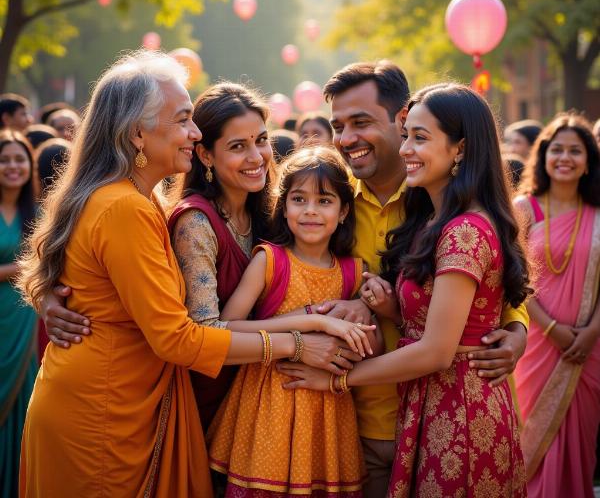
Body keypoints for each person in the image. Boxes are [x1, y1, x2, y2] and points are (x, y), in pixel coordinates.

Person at [15, 51, 309, 497]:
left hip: (120, 397)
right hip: (105, 411)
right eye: (183, 121)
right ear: (137, 133)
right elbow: (176, 338)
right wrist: (298, 344)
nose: (194, 133)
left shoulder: (139, 199)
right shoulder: (124, 208)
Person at [279, 83, 531, 496]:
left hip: (460, 412)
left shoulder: (464, 230)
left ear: (461, 149)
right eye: (406, 135)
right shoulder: (434, 219)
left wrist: (337, 380)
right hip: (431, 405)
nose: (405, 149)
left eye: (420, 138)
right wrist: (391, 309)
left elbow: (436, 350)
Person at [208, 145, 373, 496]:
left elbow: (374, 343)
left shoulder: (354, 272)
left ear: (344, 211)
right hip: (269, 403)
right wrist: (314, 321)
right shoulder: (269, 261)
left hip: (327, 413)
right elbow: (227, 327)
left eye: (324, 201)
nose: (310, 211)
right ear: (283, 209)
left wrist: (366, 319)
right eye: (299, 200)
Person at [513, 113, 600, 498]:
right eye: (557, 149)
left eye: (575, 151)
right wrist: (551, 328)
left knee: (580, 445)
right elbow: (512, 279)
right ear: (544, 156)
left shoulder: (599, 215)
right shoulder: (525, 209)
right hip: (534, 344)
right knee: (528, 439)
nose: (565, 157)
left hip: (588, 349)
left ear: (588, 162)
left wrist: (592, 331)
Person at [0, 131, 37, 498]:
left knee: (23, 397)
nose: (13, 166)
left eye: (19, 159)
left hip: (25, 317)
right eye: (5, 159)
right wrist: (21, 267)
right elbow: (34, 265)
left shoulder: (38, 213)